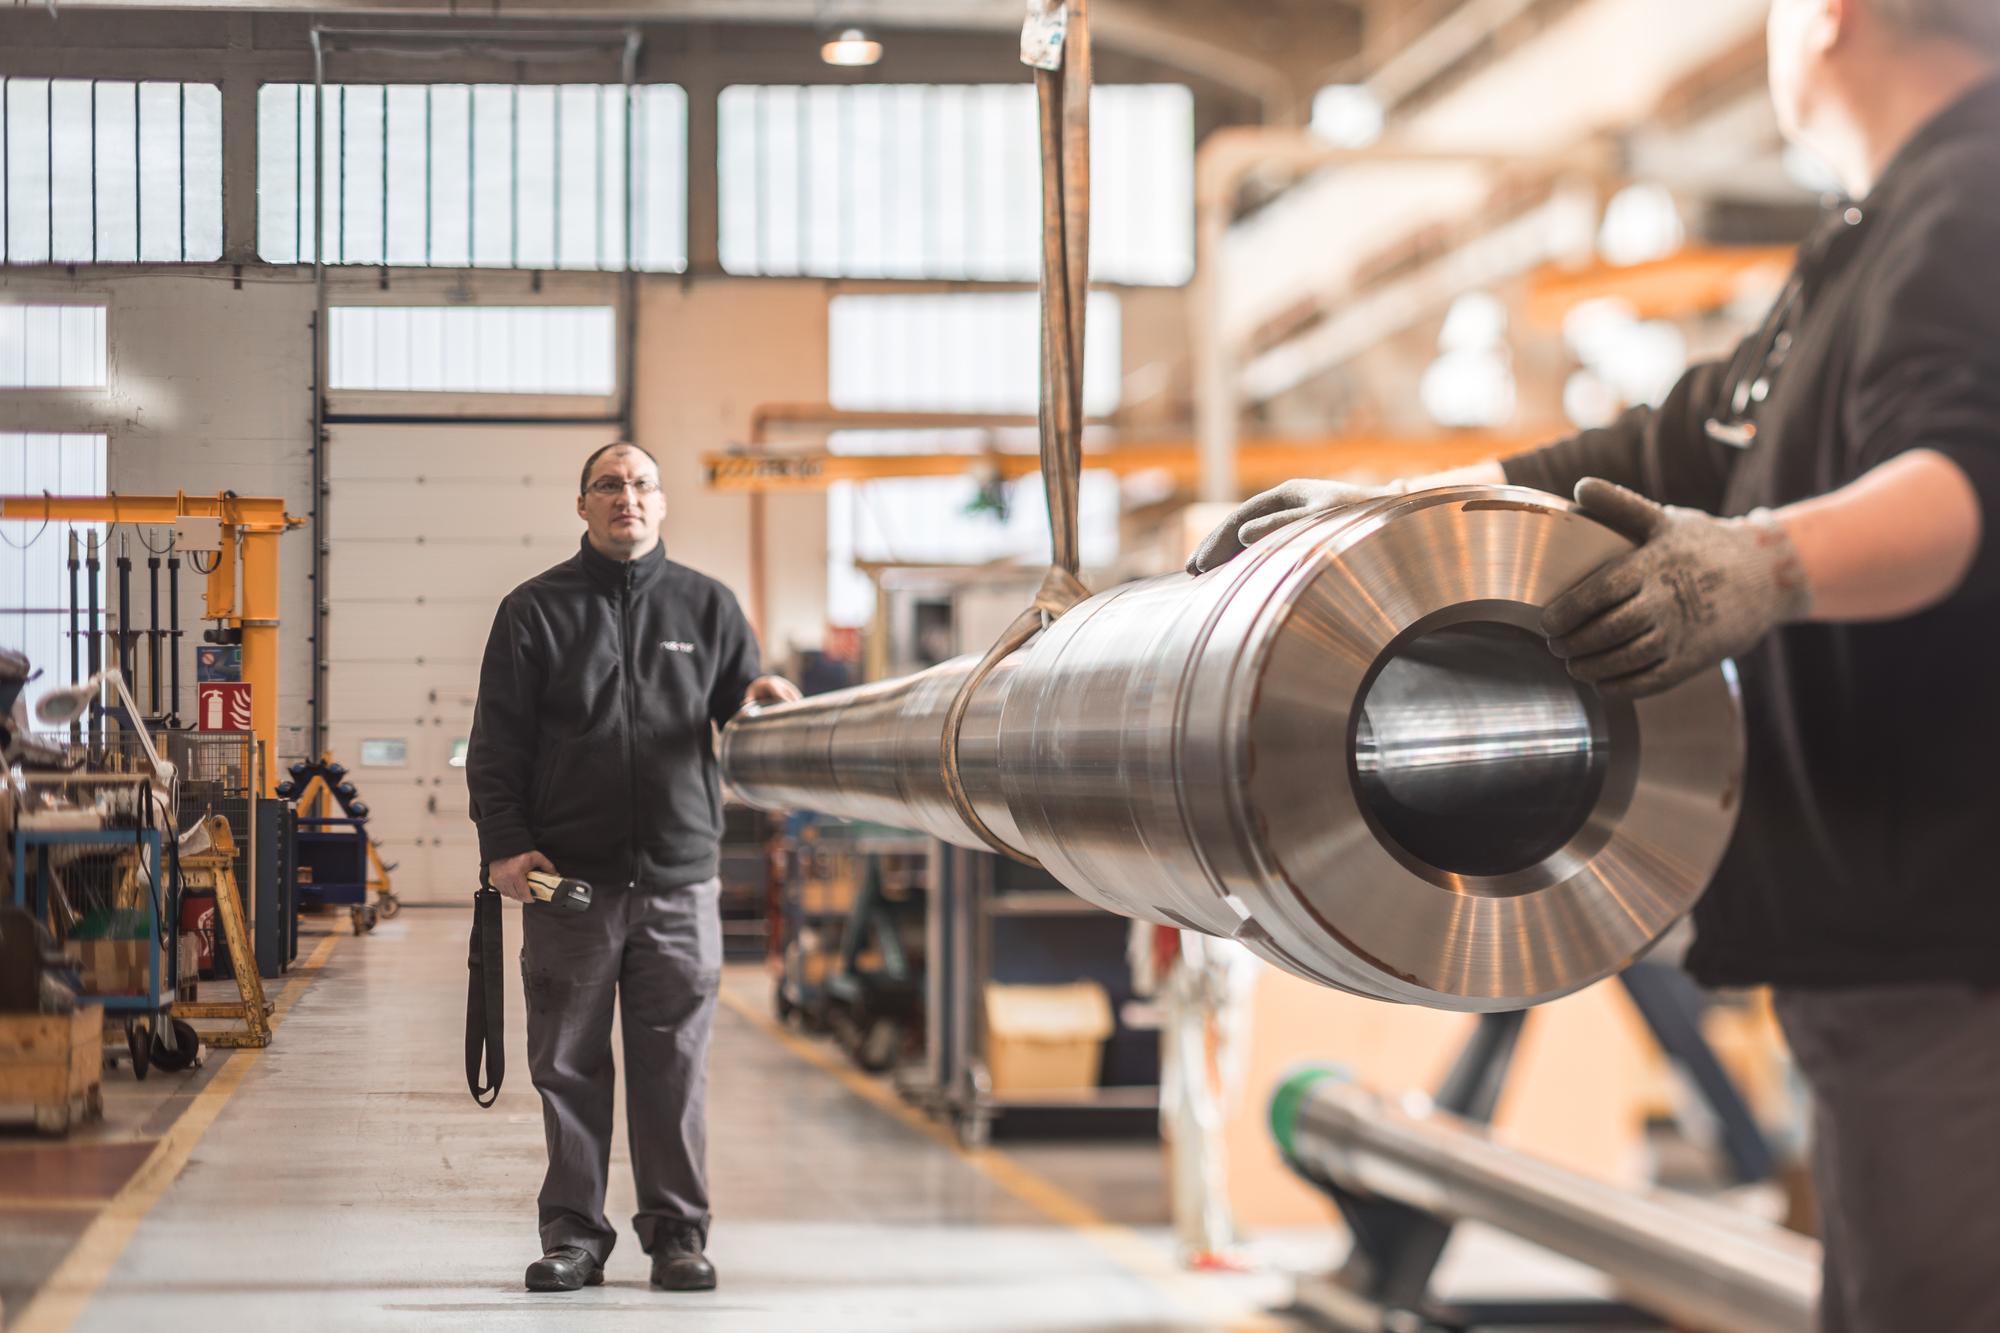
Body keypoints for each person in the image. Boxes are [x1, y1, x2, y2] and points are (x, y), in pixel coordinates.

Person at [1189, 1, 2000, 1327]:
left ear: (1835, 15)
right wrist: (1390, 509)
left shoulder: (1975, 198)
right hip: (1884, 953)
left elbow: (1964, 486)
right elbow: (1674, 447)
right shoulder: (1882, 232)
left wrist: (1767, 565)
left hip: (1957, 959)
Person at [466, 441, 800, 1294]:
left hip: (681, 880)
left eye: (643, 483)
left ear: (663, 501)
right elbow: (498, 743)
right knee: (568, 1062)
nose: (629, 497)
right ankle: (575, 1234)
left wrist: (765, 700)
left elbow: (741, 704)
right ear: (582, 506)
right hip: (569, 881)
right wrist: (503, 845)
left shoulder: (708, 606)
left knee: (673, 1061)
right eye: (609, 485)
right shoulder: (533, 611)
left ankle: (677, 1234)